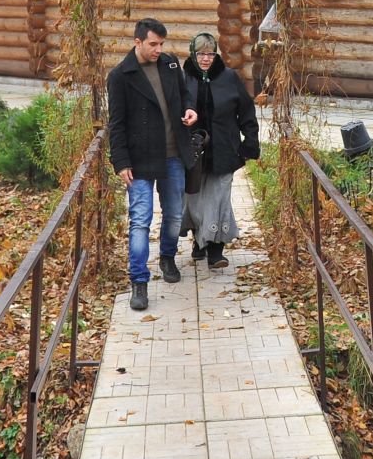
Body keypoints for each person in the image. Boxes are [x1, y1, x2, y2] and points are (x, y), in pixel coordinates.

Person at [106, 17, 198, 312]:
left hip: (173, 155)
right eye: (153, 44)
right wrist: (120, 162)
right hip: (140, 160)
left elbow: (184, 95)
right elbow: (116, 124)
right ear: (138, 42)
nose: (159, 49)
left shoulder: (170, 64)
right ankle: (139, 281)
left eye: (161, 44)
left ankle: (167, 257)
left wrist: (189, 109)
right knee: (140, 221)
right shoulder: (121, 75)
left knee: (173, 215)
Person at [180, 31, 259, 269]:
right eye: (201, 53)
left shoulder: (229, 78)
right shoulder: (183, 79)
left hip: (224, 149)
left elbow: (246, 111)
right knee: (193, 199)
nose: (206, 58)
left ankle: (216, 249)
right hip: (193, 151)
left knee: (219, 199)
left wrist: (250, 144)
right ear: (193, 54)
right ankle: (199, 240)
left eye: (210, 53)